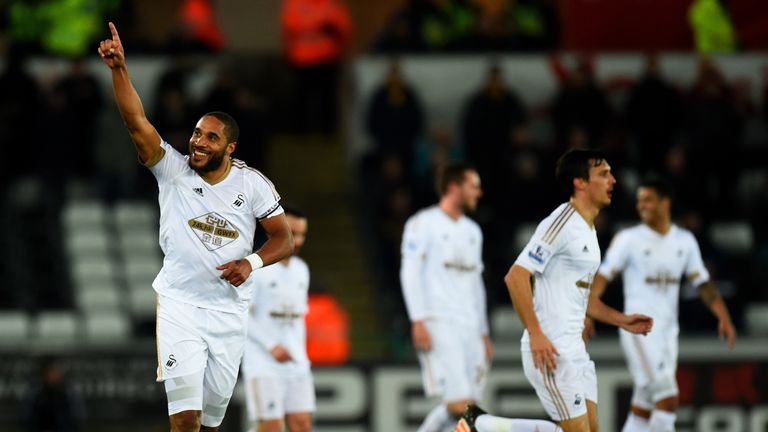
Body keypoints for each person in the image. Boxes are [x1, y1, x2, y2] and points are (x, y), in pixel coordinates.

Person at [97, 22, 293, 432]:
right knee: (185, 420)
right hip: (180, 306)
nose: (198, 143)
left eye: (210, 138)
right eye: (196, 134)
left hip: (229, 313)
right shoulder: (172, 170)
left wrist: (251, 263)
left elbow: (284, 238)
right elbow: (136, 122)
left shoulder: (252, 184)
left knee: (210, 425)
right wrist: (119, 69)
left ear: (230, 147)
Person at [457, 149, 654, 432]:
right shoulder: (561, 221)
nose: (612, 180)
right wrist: (537, 333)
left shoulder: (589, 230)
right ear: (580, 182)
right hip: (551, 349)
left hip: (575, 349)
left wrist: (621, 320)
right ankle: (482, 425)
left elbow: (581, 297)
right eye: (603, 174)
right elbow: (516, 277)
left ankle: (481, 424)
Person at [586, 177, 737, 432]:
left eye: (648, 200)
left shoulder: (684, 241)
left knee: (644, 405)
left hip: (668, 332)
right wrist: (588, 310)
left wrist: (723, 316)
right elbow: (602, 277)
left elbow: (703, 284)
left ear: (665, 203)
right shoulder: (628, 239)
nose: (641, 206)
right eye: (639, 201)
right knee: (667, 398)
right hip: (638, 329)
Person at [399, 162, 492, 432]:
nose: (479, 192)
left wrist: (483, 331)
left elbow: (477, 284)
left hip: (471, 325)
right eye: (473, 186)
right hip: (439, 320)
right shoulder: (422, 223)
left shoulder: (474, 231)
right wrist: (418, 319)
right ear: (454, 187)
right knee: (460, 404)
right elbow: (410, 272)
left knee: (468, 407)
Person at [241, 206, 315, 432]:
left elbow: (298, 318)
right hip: (263, 362)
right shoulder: (255, 269)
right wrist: (271, 346)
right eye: (292, 232)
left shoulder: (302, 270)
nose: (298, 240)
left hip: (296, 362)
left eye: (302, 234)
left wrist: (302, 355)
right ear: (275, 231)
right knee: (271, 427)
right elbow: (242, 315)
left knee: (301, 425)